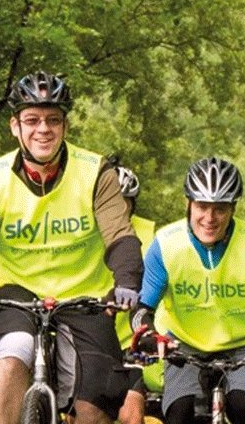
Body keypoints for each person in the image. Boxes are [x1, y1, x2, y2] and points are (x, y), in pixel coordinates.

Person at [0, 71, 142, 424]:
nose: (43, 129)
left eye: (53, 120)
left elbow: (120, 235)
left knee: (95, 406)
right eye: (32, 120)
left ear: (64, 126)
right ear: (15, 126)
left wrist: (125, 282)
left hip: (86, 298)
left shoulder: (96, 171)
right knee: (10, 358)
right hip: (17, 295)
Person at [135, 157, 245, 424]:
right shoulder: (166, 245)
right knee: (180, 413)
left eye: (220, 209)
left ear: (233, 209)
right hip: (185, 345)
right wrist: (148, 334)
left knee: (244, 406)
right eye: (202, 206)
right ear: (188, 203)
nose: (209, 218)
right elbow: (142, 310)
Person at [108, 157, 156, 424]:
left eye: (122, 204)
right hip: (83, 338)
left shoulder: (148, 236)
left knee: (132, 414)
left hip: (130, 343)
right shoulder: (80, 234)